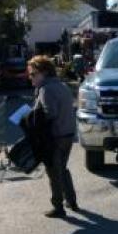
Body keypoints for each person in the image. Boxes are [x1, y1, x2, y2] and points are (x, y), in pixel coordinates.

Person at [27, 56, 79, 218]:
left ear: (43, 72)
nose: (31, 78)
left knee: (53, 171)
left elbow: (50, 113)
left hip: (55, 136)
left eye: (33, 74)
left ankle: (58, 206)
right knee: (61, 168)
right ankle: (72, 201)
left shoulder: (46, 89)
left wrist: (30, 118)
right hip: (68, 134)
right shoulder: (61, 85)